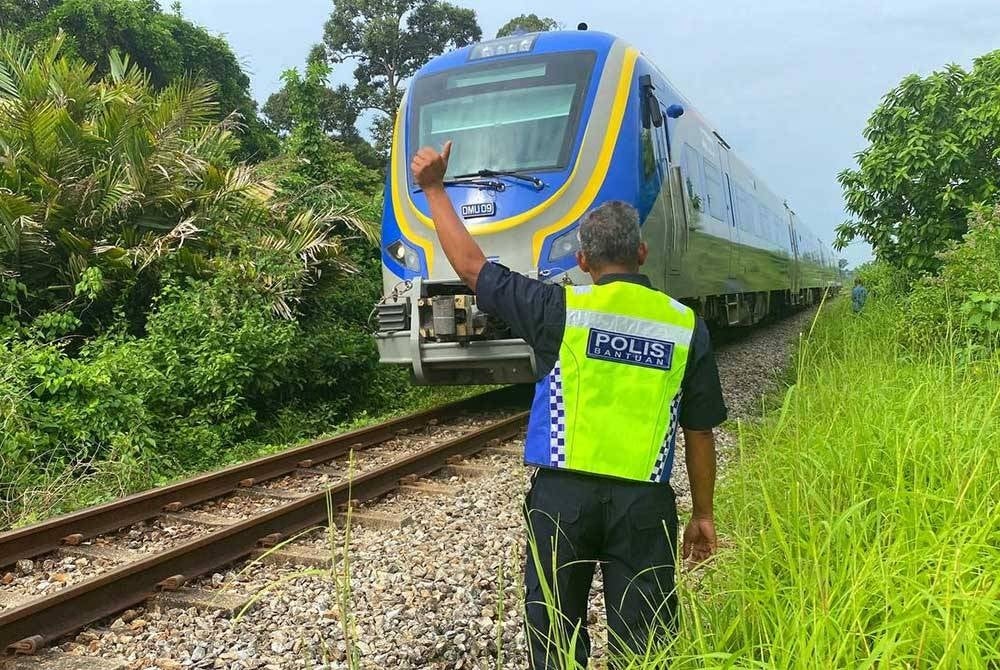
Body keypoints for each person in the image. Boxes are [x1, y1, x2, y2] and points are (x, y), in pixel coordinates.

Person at [410, 141, 727, 668]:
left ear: (582, 261)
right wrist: (704, 512)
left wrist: (435, 188)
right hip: (644, 506)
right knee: (645, 646)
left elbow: (471, 267)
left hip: (562, 501)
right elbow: (700, 431)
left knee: (556, 637)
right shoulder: (684, 325)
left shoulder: (557, 308)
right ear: (641, 254)